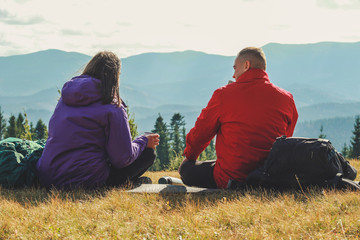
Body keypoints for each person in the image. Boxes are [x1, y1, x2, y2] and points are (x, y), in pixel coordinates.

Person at [37, 51, 159, 190]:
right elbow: (122, 159)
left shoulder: (65, 100)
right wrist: (143, 141)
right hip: (84, 180)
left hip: (48, 177)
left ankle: (129, 182)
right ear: (115, 77)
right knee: (148, 154)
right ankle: (123, 183)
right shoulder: (113, 107)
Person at [179, 47, 298, 189]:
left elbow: (202, 132)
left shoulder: (223, 94)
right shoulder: (286, 98)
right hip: (268, 175)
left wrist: (190, 156)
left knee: (186, 169)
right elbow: (285, 139)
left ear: (247, 65)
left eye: (235, 68)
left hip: (231, 178)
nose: (234, 75)